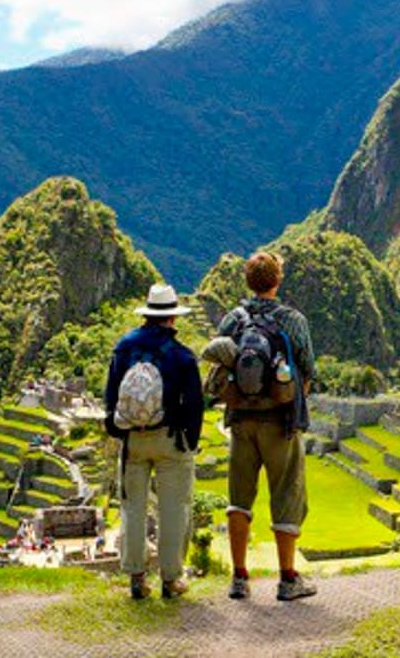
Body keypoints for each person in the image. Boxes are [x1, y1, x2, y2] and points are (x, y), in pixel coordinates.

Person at [218, 252, 316, 602]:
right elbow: (308, 369)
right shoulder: (293, 320)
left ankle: (239, 578)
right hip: (280, 423)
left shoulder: (233, 320)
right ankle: (288, 579)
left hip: (241, 422)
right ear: (278, 280)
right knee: (287, 494)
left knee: (239, 499)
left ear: (248, 281)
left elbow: (221, 366)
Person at [105, 283, 203, 600]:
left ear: (147, 314)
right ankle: (171, 580)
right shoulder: (182, 355)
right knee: (174, 509)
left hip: (133, 440)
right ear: (173, 317)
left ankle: (137, 578)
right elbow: (194, 405)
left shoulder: (123, 348)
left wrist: (119, 431)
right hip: (170, 440)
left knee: (133, 507)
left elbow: (111, 395)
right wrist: (189, 441)